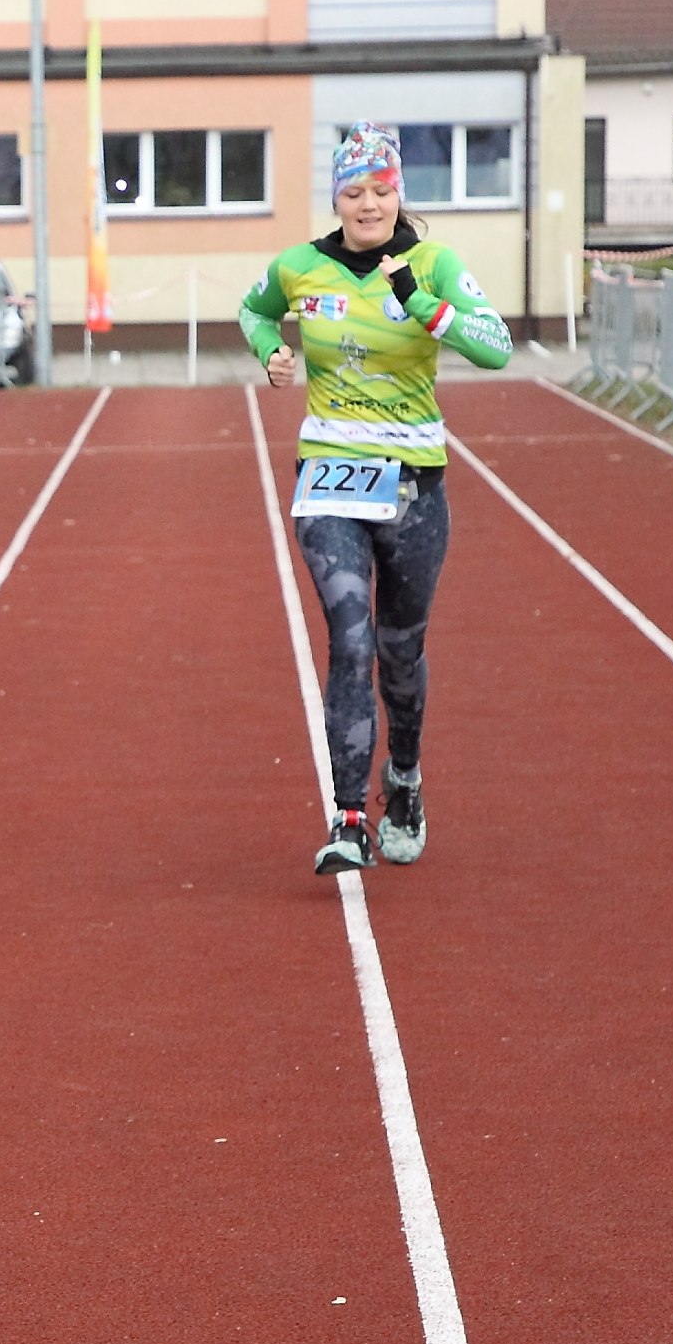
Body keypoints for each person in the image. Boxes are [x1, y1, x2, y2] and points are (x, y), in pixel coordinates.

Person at [238, 122, 513, 873]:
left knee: (399, 652)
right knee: (350, 640)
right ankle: (350, 816)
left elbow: (496, 348)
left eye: (381, 191)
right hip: (330, 474)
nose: (368, 205)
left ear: (399, 194)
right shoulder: (300, 267)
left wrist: (424, 305)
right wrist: (272, 350)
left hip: (415, 486)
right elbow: (254, 310)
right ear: (336, 197)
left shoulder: (434, 263)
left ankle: (406, 779)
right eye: (354, 191)